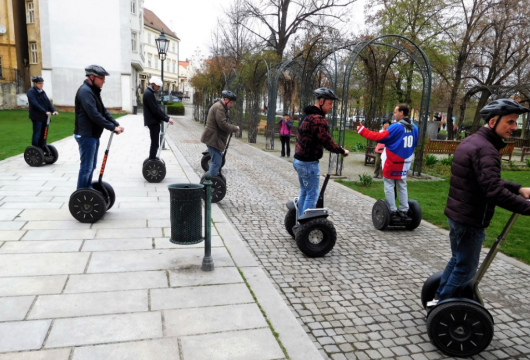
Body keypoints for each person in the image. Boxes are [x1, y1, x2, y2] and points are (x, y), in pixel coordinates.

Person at [427, 99, 530, 307]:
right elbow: (494, 191)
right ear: (493, 122)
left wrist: (517, 188)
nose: (514, 128)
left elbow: (485, 180)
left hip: (457, 214)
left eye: (515, 123)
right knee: (465, 267)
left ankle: (439, 298)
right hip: (470, 220)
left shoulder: (473, 142)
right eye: (510, 122)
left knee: (457, 260)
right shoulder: (487, 150)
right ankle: (443, 308)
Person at [293, 88, 350, 218]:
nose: (331, 107)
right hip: (308, 163)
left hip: (298, 160)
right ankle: (305, 227)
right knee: (312, 195)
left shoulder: (307, 116)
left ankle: (298, 223)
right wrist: (342, 151)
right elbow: (327, 140)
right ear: (321, 101)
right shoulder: (318, 119)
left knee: (304, 192)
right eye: (329, 104)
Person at [357, 104, 419, 219]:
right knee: (402, 185)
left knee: (389, 185)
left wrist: (362, 130)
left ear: (401, 113)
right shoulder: (414, 127)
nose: (394, 115)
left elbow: (378, 137)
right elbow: (415, 143)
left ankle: (393, 210)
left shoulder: (396, 127)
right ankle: (404, 210)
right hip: (406, 161)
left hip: (393, 160)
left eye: (395, 112)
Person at [74, 65, 124, 190]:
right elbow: (94, 115)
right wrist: (112, 127)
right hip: (86, 134)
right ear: (92, 77)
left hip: (93, 135)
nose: (104, 81)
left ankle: (88, 189)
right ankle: (81, 194)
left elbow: (103, 111)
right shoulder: (85, 91)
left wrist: (115, 124)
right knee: (86, 167)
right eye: (101, 78)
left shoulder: (93, 90)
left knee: (92, 166)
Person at [200, 90, 240, 176]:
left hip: (214, 139)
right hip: (213, 139)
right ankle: (209, 184)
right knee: (216, 163)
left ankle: (211, 181)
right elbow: (222, 124)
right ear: (226, 100)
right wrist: (234, 128)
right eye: (231, 103)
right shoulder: (219, 108)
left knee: (217, 162)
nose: (231, 105)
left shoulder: (221, 107)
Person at [143, 77, 174, 160]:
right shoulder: (149, 94)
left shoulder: (149, 93)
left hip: (152, 122)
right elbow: (155, 110)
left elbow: (157, 108)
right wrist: (167, 119)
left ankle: (152, 158)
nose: (159, 88)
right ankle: (152, 160)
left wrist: (166, 117)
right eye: (158, 86)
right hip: (152, 122)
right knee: (155, 143)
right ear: (153, 84)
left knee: (155, 142)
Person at [27, 76, 58, 150]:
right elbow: (35, 103)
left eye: (42, 83)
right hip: (37, 116)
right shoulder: (31, 92)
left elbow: (48, 102)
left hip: (45, 117)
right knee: (37, 133)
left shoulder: (42, 91)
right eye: (40, 83)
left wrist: (54, 110)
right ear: (35, 83)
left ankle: (42, 147)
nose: (41, 85)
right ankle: (35, 149)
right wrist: (45, 111)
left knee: (44, 134)